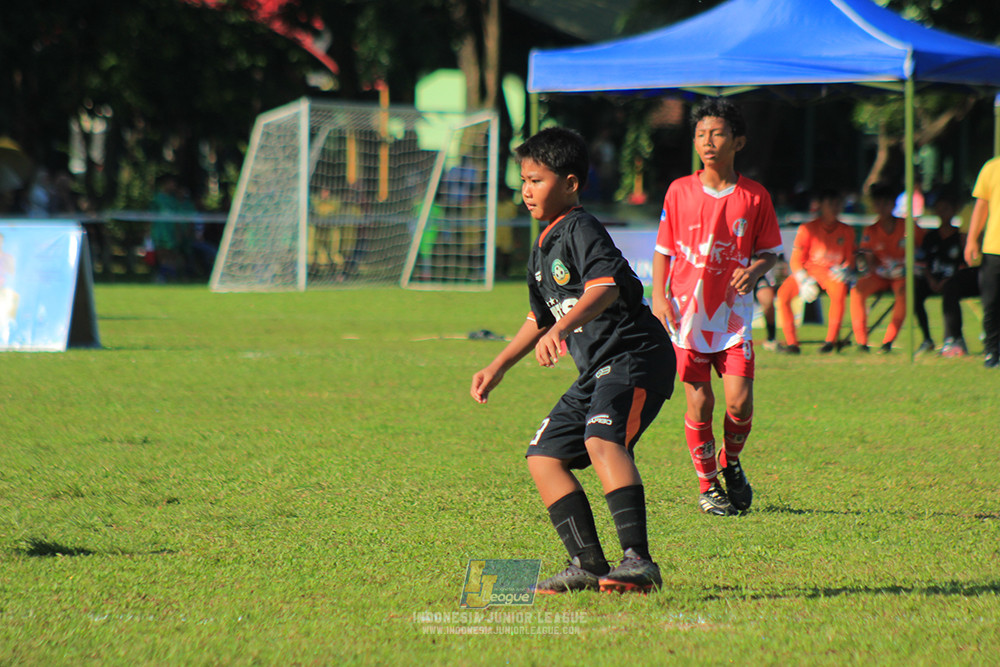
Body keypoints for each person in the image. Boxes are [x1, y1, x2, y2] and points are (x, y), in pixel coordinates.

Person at [470, 127, 675, 594]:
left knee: (603, 439)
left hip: (634, 355)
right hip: (597, 369)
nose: (526, 191)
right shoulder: (542, 249)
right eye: (523, 180)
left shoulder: (581, 228)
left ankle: (638, 562)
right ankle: (586, 564)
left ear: (570, 183)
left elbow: (604, 287)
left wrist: (562, 329)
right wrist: (497, 366)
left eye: (537, 180)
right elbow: (539, 318)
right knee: (544, 456)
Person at [651, 99, 782, 517]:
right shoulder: (679, 191)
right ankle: (708, 485)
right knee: (700, 404)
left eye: (718, 133)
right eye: (701, 134)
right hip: (686, 317)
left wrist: (755, 269)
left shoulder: (755, 196)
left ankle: (731, 461)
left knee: (739, 404)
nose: (708, 142)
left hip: (733, 317)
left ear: (738, 142)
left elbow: (771, 252)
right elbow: (663, 250)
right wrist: (659, 297)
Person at [775, 189, 856, 354]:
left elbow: (850, 258)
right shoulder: (808, 229)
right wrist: (803, 279)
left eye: (837, 204)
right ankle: (792, 343)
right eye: (830, 204)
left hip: (831, 274)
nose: (834, 208)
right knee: (783, 295)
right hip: (809, 272)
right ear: (821, 206)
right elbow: (796, 259)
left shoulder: (847, 231)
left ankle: (831, 341)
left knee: (839, 292)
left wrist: (845, 269)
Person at [850, 182, 915, 353]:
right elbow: (869, 261)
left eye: (886, 203)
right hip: (880, 275)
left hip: (902, 275)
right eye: (878, 203)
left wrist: (906, 266)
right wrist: (880, 270)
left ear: (893, 204)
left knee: (904, 294)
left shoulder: (907, 226)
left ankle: (888, 342)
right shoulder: (871, 230)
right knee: (857, 291)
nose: (882, 207)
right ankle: (861, 342)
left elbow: (921, 251)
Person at [914, 188, 979, 356]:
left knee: (951, 290)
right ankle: (927, 339)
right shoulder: (930, 237)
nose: (942, 213)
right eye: (939, 209)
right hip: (933, 280)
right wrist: (931, 280)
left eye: (946, 209)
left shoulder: (959, 238)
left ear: (954, 210)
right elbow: (923, 262)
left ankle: (954, 339)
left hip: (952, 280)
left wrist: (946, 280)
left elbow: (963, 265)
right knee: (914, 291)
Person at [966, 157, 1000, 368]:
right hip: (994, 248)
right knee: (991, 303)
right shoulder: (991, 168)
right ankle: (992, 351)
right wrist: (972, 239)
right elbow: (981, 206)